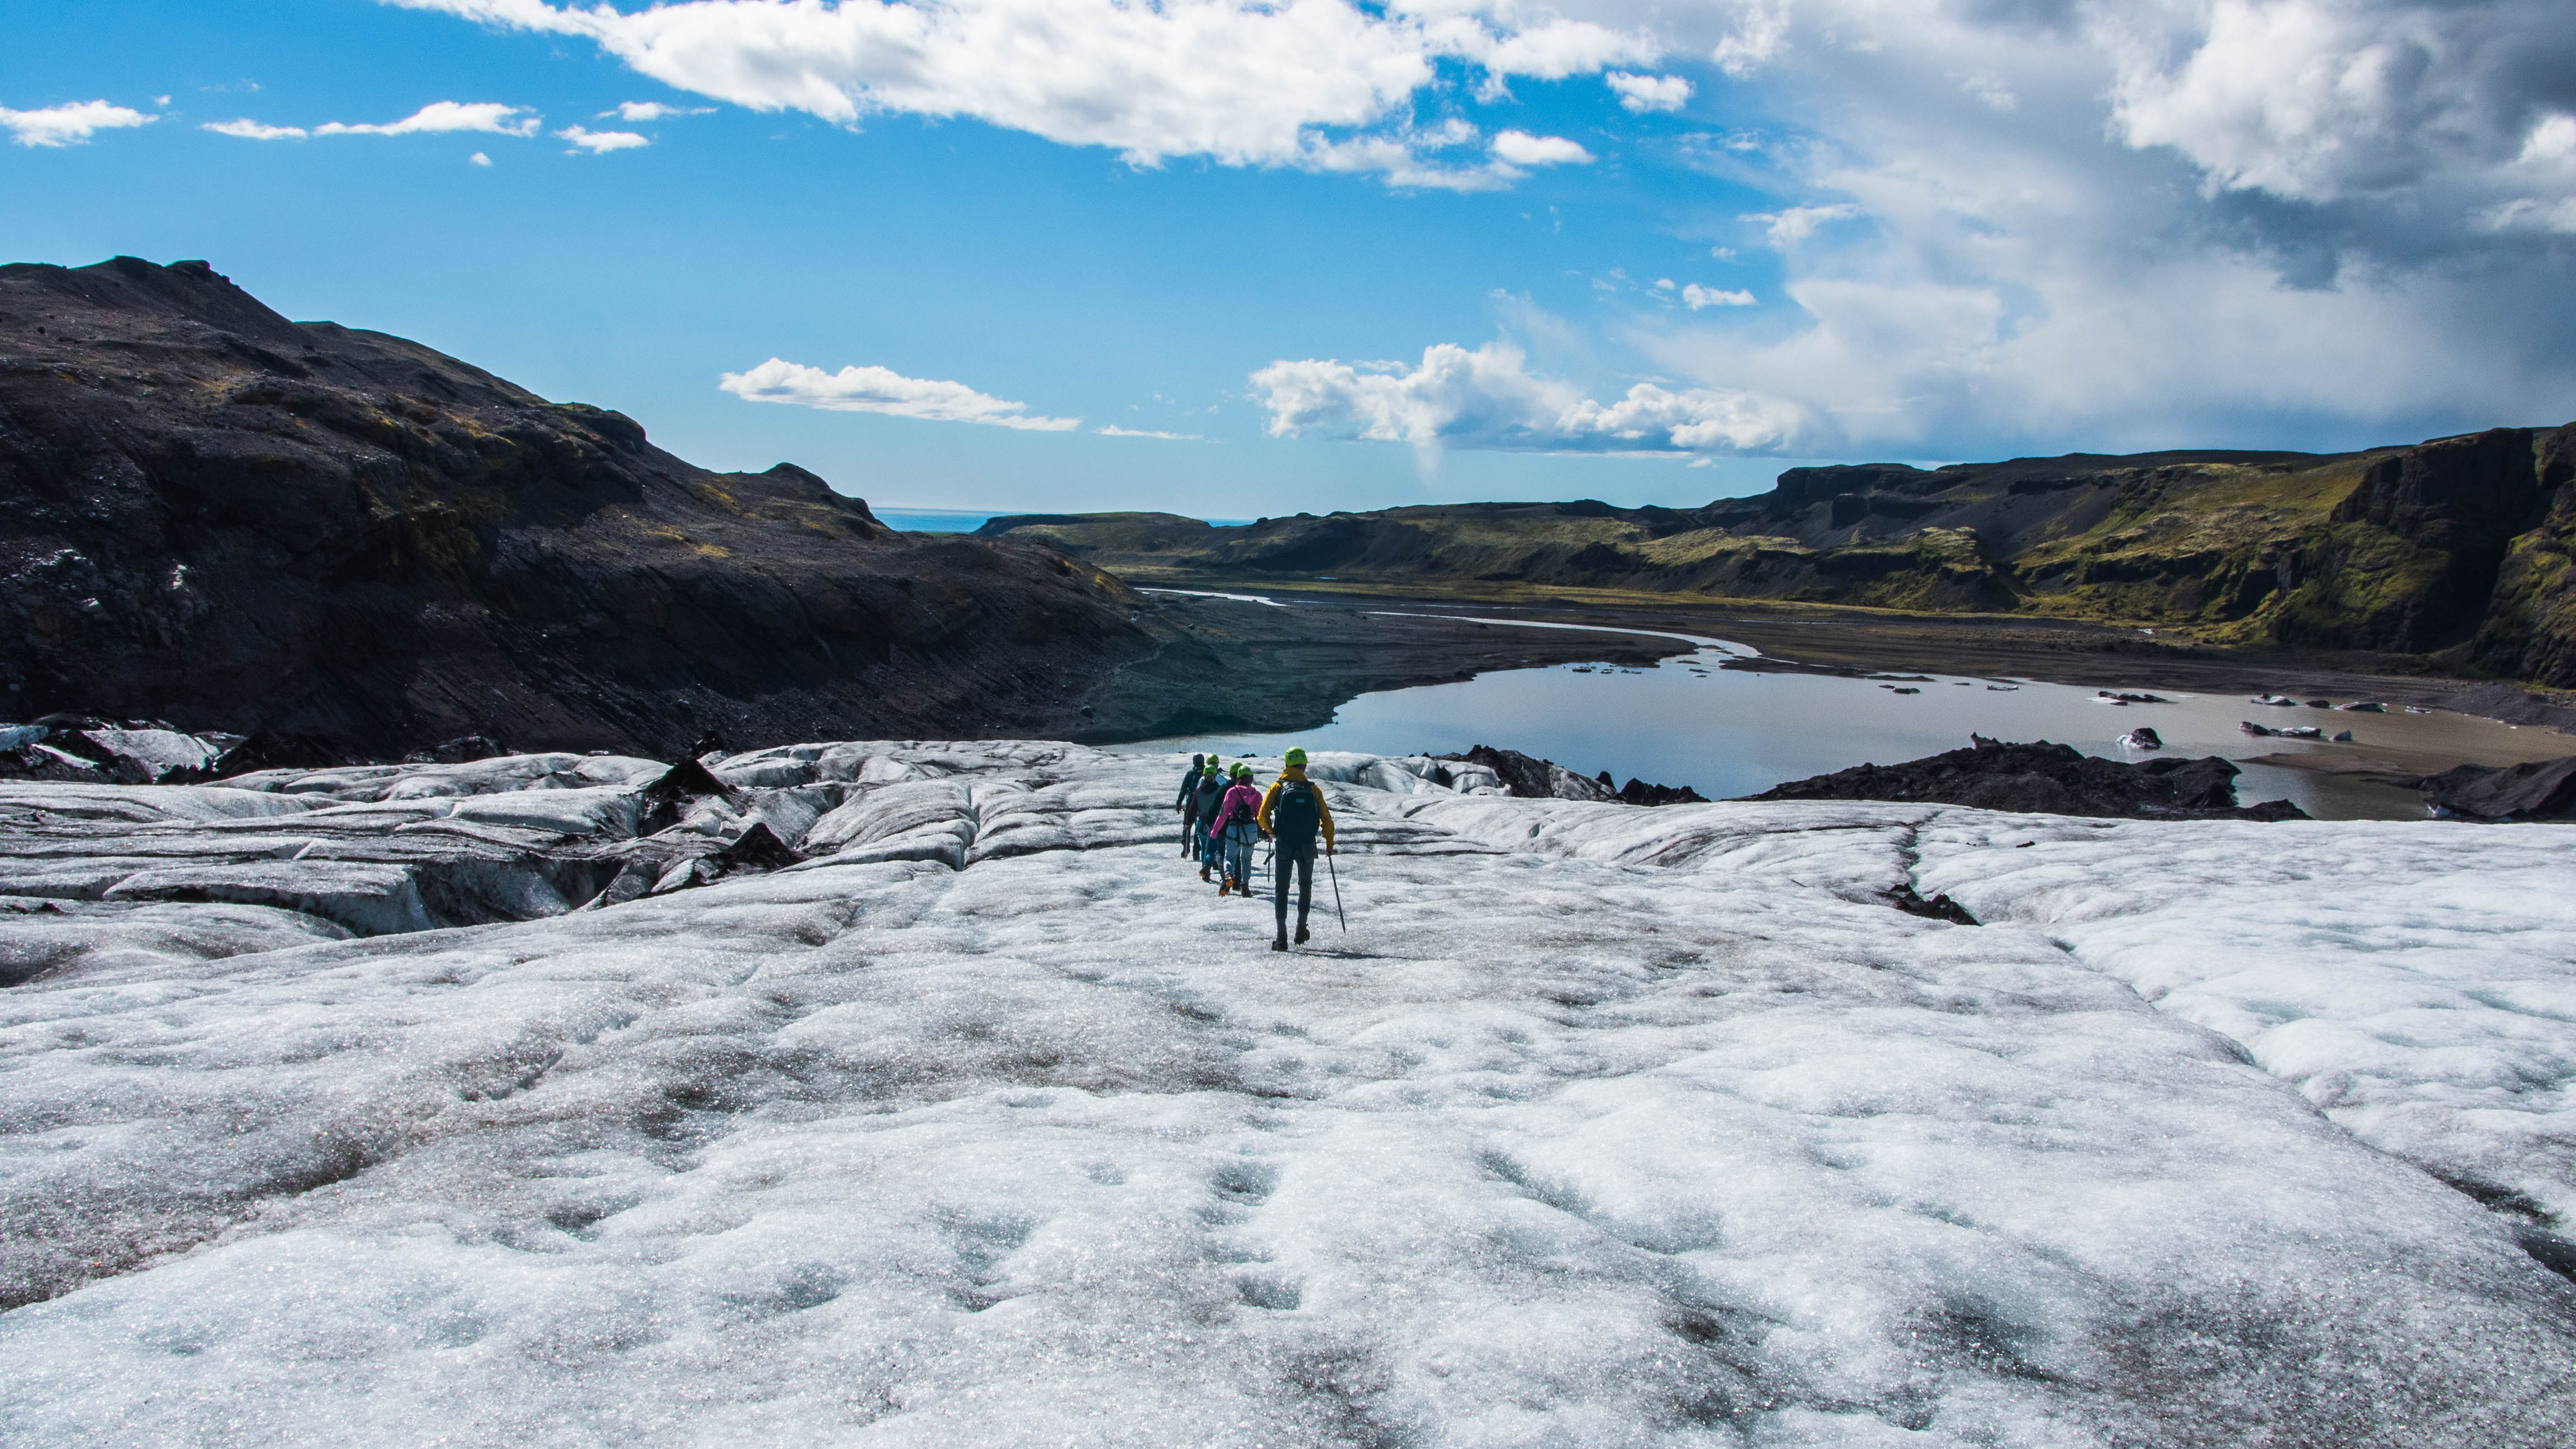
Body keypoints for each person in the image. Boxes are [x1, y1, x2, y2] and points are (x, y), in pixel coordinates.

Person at [1257, 746, 1336, 950]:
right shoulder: (1313, 789)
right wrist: (1329, 844)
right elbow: (1327, 820)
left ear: (1286, 765)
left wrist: (1271, 833)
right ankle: (1301, 930)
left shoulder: (1277, 787)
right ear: (1304, 766)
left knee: (1281, 889)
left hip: (1284, 843)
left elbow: (1262, 815)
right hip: (1307, 844)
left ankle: (1281, 936)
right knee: (1305, 886)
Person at [1207, 763, 1264, 896]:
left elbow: (1223, 814)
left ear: (1238, 778)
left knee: (1230, 857)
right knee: (1246, 859)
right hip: (1250, 830)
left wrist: (1214, 832)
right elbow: (1259, 816)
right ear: (1251, 778)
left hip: (1234, 828)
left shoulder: (1231, 792)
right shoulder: (1257, 794)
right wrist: (1264, 832)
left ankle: (1228, 876)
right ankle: (1245, 886)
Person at [1191, 758, 1229, 880]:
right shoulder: (1219, 790)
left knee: (1204, 847)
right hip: (1213, 823)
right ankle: (1207, 866)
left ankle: (1205, 870)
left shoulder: (1199, 790)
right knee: (1213, 848)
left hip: (1200, 822)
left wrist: (1188, 822)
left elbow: (1193, 807)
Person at [1173, 753, 1207, 857]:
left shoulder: (1190, 773)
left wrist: (1179, 803)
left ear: (1194, 762)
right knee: (1198, 828)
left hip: (1190, 803)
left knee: (1187, 825)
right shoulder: (1206, 774)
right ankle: (1196, 851)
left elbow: (1183, 789)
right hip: (1202, 804)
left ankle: (1185, 849)